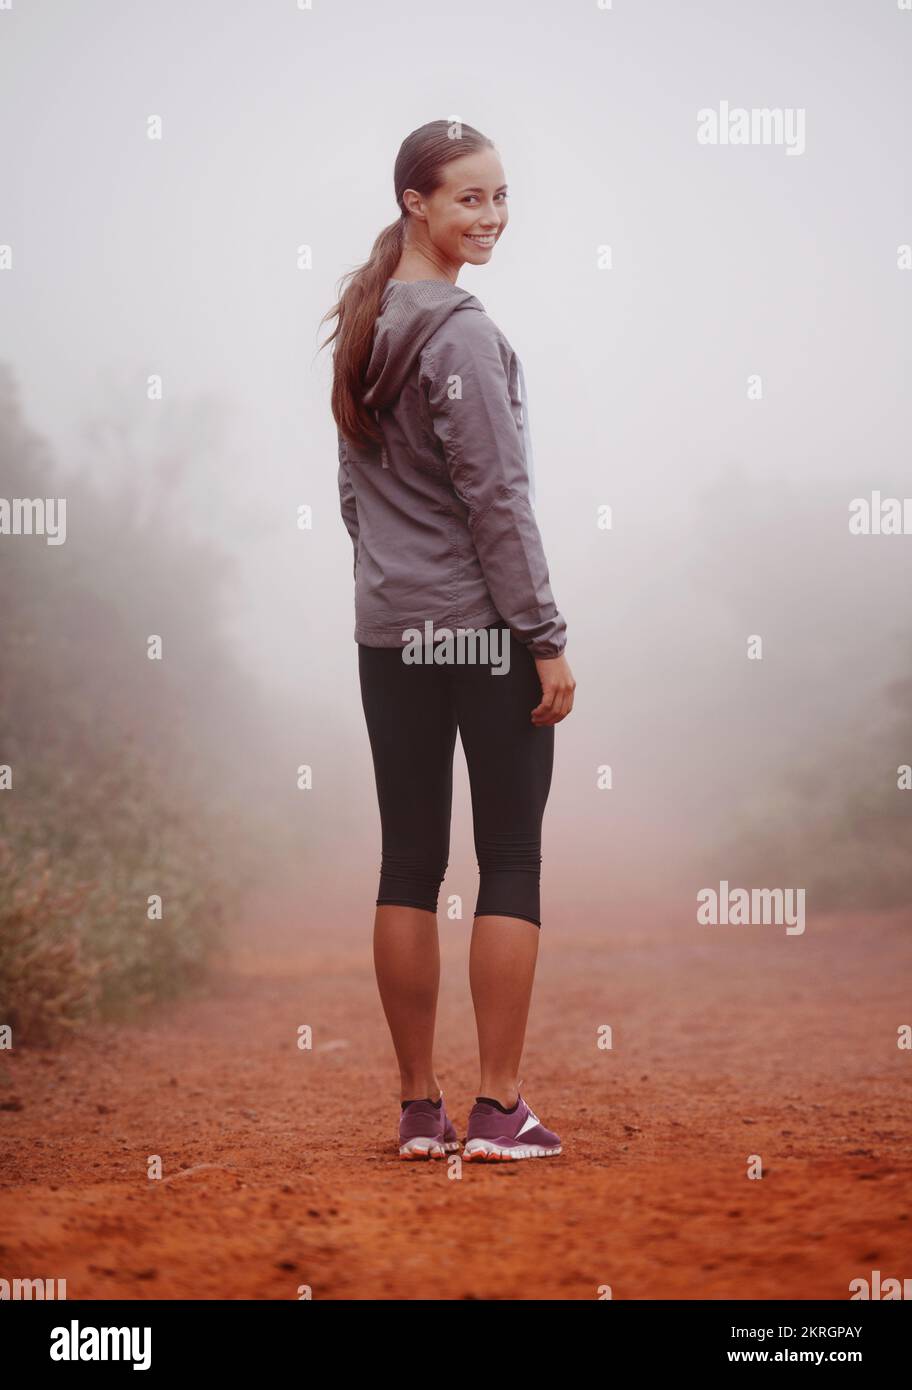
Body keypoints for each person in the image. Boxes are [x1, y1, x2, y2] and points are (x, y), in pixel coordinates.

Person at [320, 119, 575, 1161]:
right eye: (469, 197)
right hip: (481, 632)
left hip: (390, 636)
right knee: (508, 857)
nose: (492, 216)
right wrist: (544, 637)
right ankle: (498, 1110)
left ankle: (418, 1108)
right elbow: (498, 503)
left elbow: (353, 498)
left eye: (501, 196)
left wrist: (395, 586)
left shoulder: (364, 325)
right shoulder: (463, 333)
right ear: (414, 203)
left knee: (409, 862)